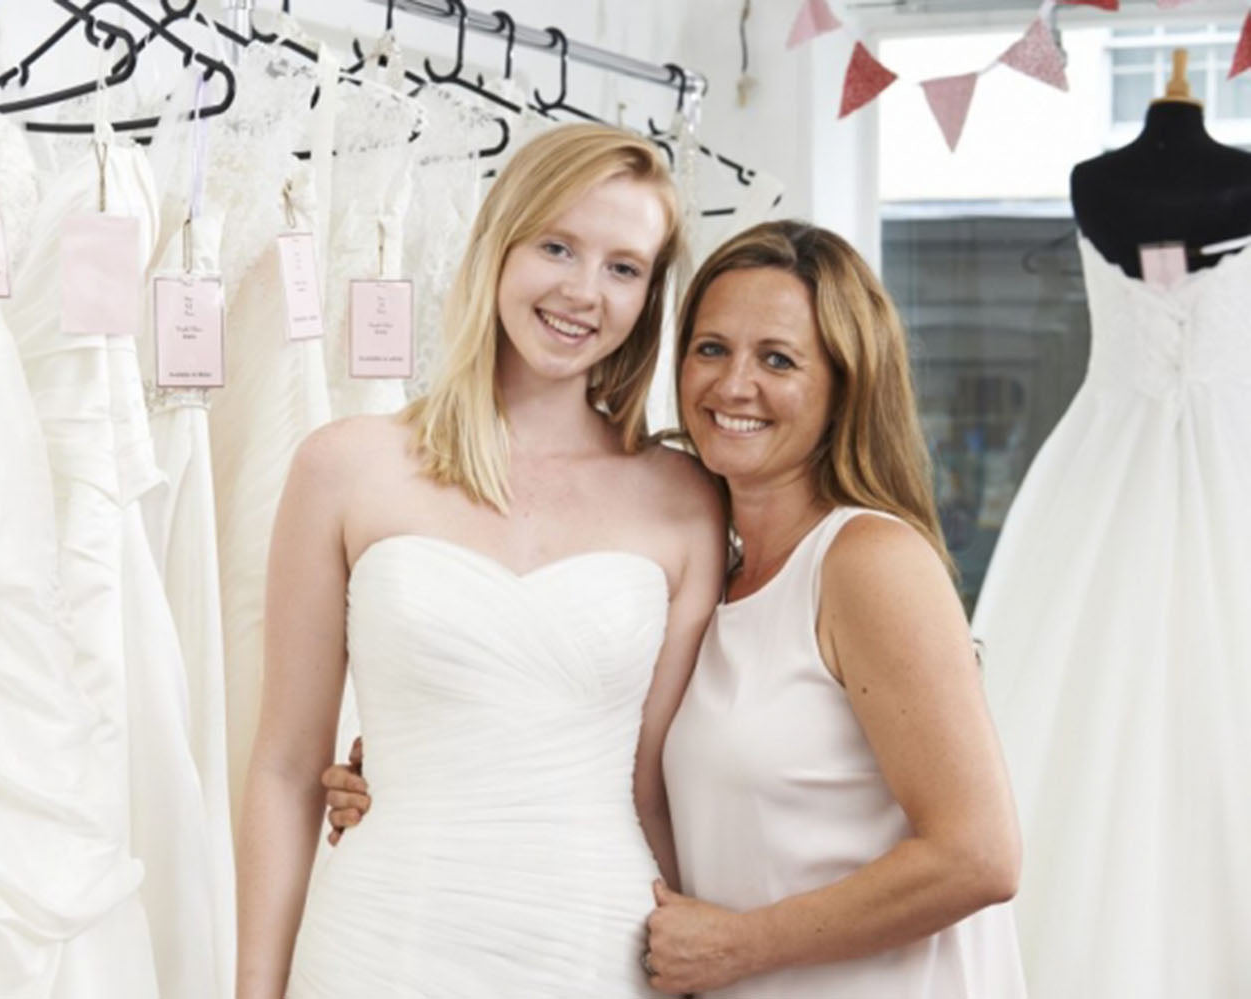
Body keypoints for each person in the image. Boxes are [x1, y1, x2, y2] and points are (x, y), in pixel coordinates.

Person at [323, 220, 1028, 997]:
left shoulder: (868, 561)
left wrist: (741, 944)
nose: (733, 385)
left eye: (779, 359)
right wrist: (414, 767)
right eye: (712, 348)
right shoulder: (712, 576)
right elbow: (622, 767)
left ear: (844, 384)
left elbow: (979, 855)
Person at [234, 123, 727, 998]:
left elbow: (655, 781)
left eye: (624, 267)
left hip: (597, 946)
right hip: (381, 939)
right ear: (498, 244)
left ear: (650, 296)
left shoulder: (685, 497)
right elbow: (283, 768)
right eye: (558, 246)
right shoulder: (346, 465)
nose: (584, 291)